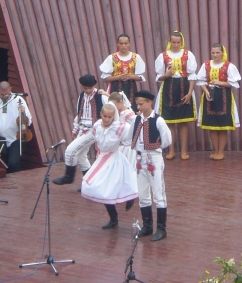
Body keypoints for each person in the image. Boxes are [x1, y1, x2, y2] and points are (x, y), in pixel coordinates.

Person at [81, 104, 138, 229]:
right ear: (101, 114)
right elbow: (96, 138)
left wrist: (136, 120)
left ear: (113, 117)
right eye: (105, 116)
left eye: (109, 117)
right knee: (100, 186)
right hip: (102, 158)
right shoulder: (97, 125)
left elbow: (130, 133)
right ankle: (113, 218)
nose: (107, 119)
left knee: (117, 183)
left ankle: (130, 198)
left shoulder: (118, 127)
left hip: (114, 157)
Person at [132, 90, 172, 241]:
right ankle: (147, 226)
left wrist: (156, 146)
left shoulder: (158, 120)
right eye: (138, 104)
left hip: (153, 157)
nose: (139, 106)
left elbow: (167, 139)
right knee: (143, 194)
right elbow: (130, 136)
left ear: (149, 103)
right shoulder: (137, 119)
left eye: (141, 104)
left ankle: (162, 228)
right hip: (140, 158)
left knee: (158, 194)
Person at [53, 74, 107, 186]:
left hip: (94, 129)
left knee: (70, 150)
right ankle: (90, 183)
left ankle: (69, 176)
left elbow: (113, 110)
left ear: (94, 86)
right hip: (83, 128)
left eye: (90, 88)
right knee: (81, 157)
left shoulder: (102, 96)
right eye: (85, 88)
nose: (87, 90)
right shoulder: (82, 95)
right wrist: (75, 129)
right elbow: (79, 114)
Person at [154, 31, 197, 160]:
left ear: (181, 42)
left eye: (178, 42)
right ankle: (171, 150)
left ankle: (184, 151)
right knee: (170, 122)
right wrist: (167, 75)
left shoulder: (188, 54)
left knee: (183, 122)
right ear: (170, 42)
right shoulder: (163, 56)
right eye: (174, 42)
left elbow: (192, 75)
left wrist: (190, 93)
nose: (176, 45)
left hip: (184, 88)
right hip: (169, 89)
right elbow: (159, 76)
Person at [196, 43, 241, 160]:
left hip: (224, 97)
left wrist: (220, 83)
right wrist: (206, 91)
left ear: (222, 53)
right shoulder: (206, 65)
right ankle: (215, 151)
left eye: (217, 52)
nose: (215, 55)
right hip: (210, 96)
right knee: (212, 125)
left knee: (222, 125)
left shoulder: (228, 66)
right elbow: (201, 81)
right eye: (213, 52)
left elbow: (233, 83)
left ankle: (221, 152)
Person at [0, 81, 32, 172]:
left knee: (13, 163)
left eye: (7, 94)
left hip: (15, 137)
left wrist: (23, 114)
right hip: (0, 138)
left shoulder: (19, 100)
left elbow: (29, 120)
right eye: (2, 94)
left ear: (11, 90)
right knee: (2, 163)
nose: (5, 96)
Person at [100, 34, 146, 109]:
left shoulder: (136, 57)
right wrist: (119, 77)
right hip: (115, 87)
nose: (123, 46)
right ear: (117, 44)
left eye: (125, 43)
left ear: (129, 44)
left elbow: (140, 77)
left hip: (130, 87)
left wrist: (130, 76)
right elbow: (105, 79)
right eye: (121, 43)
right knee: (115, 108)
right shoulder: (112, 58)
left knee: (131, 108)